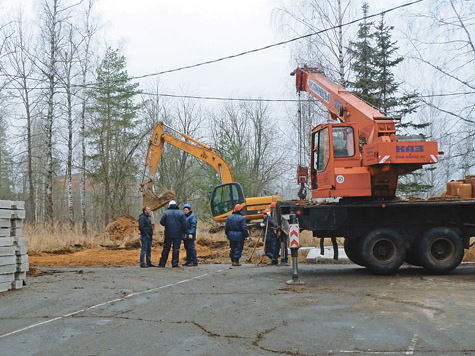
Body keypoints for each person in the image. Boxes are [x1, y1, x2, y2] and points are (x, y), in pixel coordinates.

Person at [158, 200, 187, 268]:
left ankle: (162, 264)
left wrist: (167, 224)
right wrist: (185, 232)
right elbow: (184, 224)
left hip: (168, 233)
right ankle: (174, 264)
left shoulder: (166, 213)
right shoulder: (181, 213)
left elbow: (161, 222)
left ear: (169, 205)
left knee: (166, 248)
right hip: (178, 234)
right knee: (176, 249)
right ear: (176, 205)